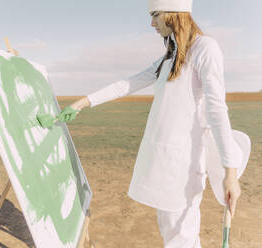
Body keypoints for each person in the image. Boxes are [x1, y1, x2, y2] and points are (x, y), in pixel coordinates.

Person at [57, 0, 241, 247]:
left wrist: (231, 173)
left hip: (184, 167)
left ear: (175, 14)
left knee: (182, 238)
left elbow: (217, 110)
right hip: (162, 163)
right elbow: (128, 84)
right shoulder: (170, 56)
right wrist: (81, 103)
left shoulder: (206, 48)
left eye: (156, 15)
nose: (151, 23)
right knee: (171, 234)